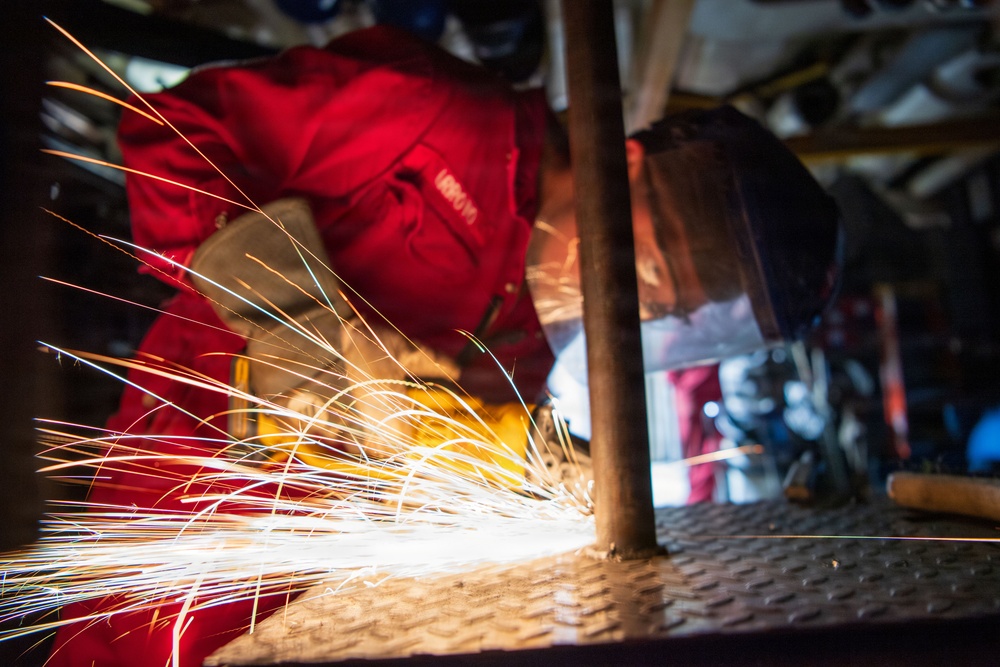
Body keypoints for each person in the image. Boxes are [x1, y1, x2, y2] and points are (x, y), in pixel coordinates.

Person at [48, 23, 840, 667]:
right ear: (627, 167)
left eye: (672, 306)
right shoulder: (435, 113)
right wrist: (301, 323)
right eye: (657, 272)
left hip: (296, 600)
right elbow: (173, 133)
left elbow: (440, 453)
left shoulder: (536, 330)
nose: (645, 304)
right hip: (175, 500)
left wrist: (538, 464)